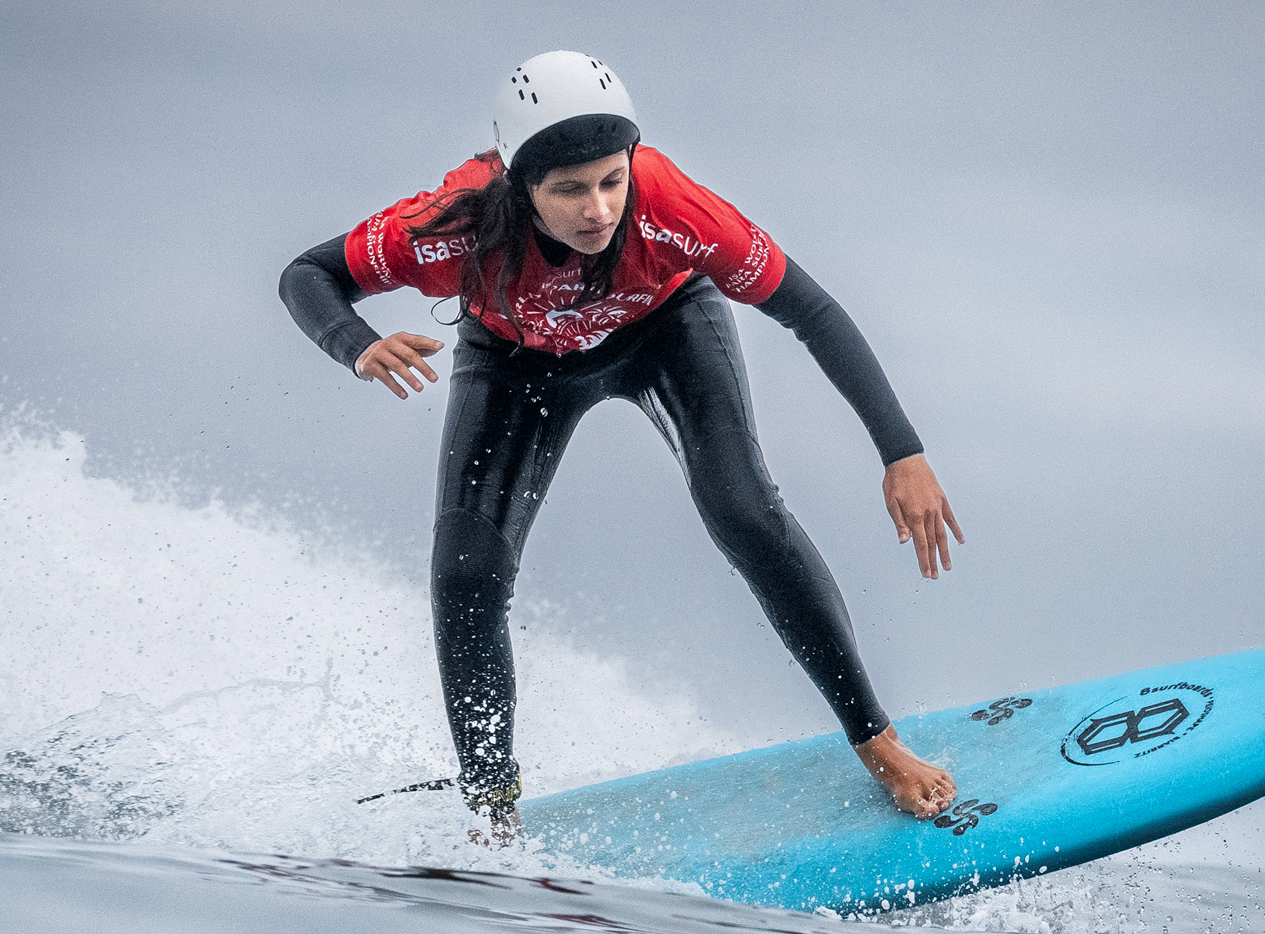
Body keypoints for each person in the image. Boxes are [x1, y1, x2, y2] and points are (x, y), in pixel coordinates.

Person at [279, 51, 963, 838]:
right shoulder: (454, 224)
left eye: (611, 179)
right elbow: (309, 273)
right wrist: (354, 344)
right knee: (465, 573)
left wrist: (900, 451)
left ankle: (876, 740)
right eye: (569, 189)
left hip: (664, 331)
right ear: (517, 183)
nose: (598, 208)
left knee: (742, 510)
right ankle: (492, 816)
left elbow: (811, 310)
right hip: (514, 362)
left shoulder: (673, 207)